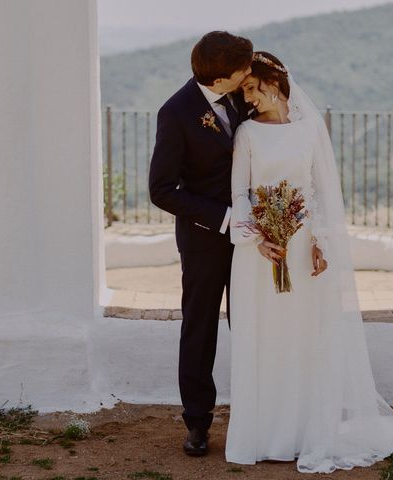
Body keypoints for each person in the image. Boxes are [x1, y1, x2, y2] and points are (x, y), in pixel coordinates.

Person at [225, 51, 393, 474]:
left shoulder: (310, 130)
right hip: (260, 253)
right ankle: (262, 435)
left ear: (274, 84)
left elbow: (322, 192)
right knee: (264, 338)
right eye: (243, 92)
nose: (248, 99)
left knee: (305, 338)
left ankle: (305, 432)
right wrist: (256, 239)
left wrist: (319, 242)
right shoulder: (247, 134)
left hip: (304, 246)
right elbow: (240, 194)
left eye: (251, 88)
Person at [149, 31, 253, 457]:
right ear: (221, 78)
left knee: (252, 325)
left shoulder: (241, 97)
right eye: (243, 69)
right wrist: (226, 218)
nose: (250, 73)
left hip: (255, 240)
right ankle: (197, 423)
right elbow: (162, 190)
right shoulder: (175, 113)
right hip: (205, 239)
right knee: (200, 328)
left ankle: (258, 414)